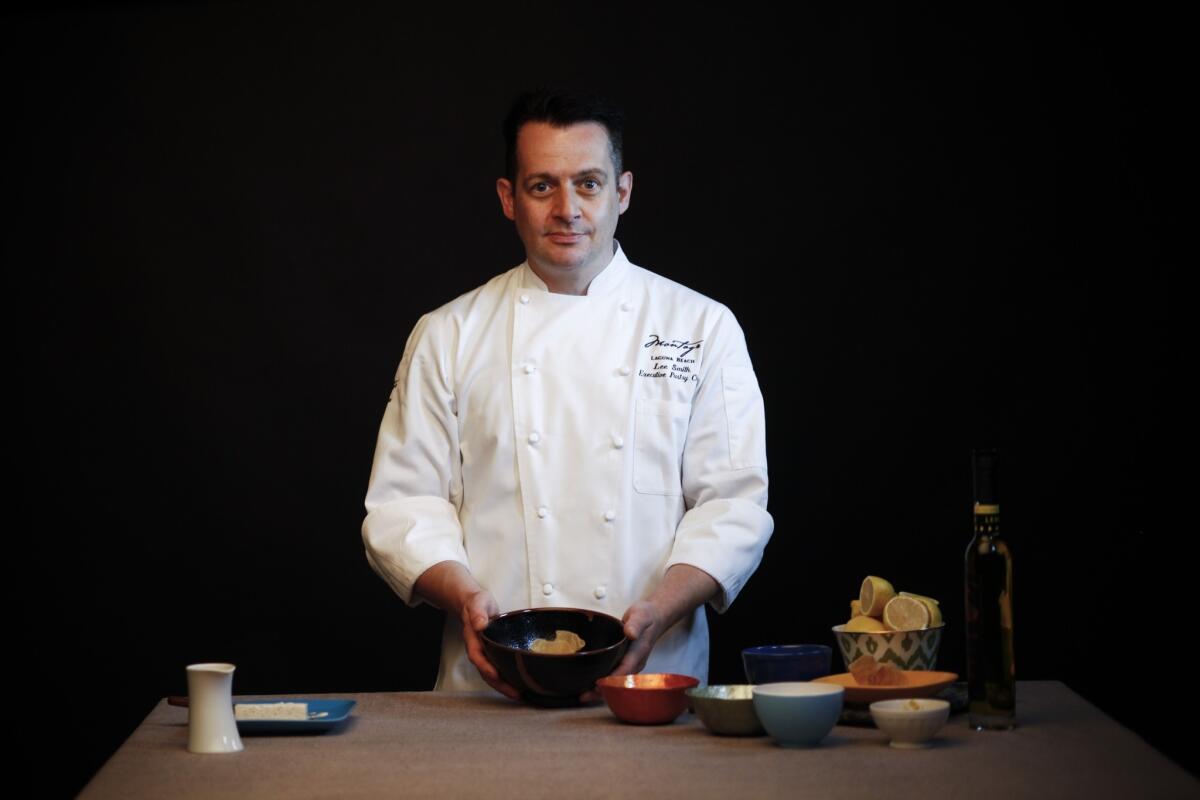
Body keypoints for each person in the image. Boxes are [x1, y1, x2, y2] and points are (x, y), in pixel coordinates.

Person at [362, 89, 773, 698]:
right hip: (487, 693)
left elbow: (734, 506)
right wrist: (466, 597)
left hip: (654, 686)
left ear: (622, 192)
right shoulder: (448, 333)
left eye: (587, 183)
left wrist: (659, 609)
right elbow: (402, 507)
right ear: (508, 198)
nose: (567, 209)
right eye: (541, 186)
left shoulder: (701, 327)